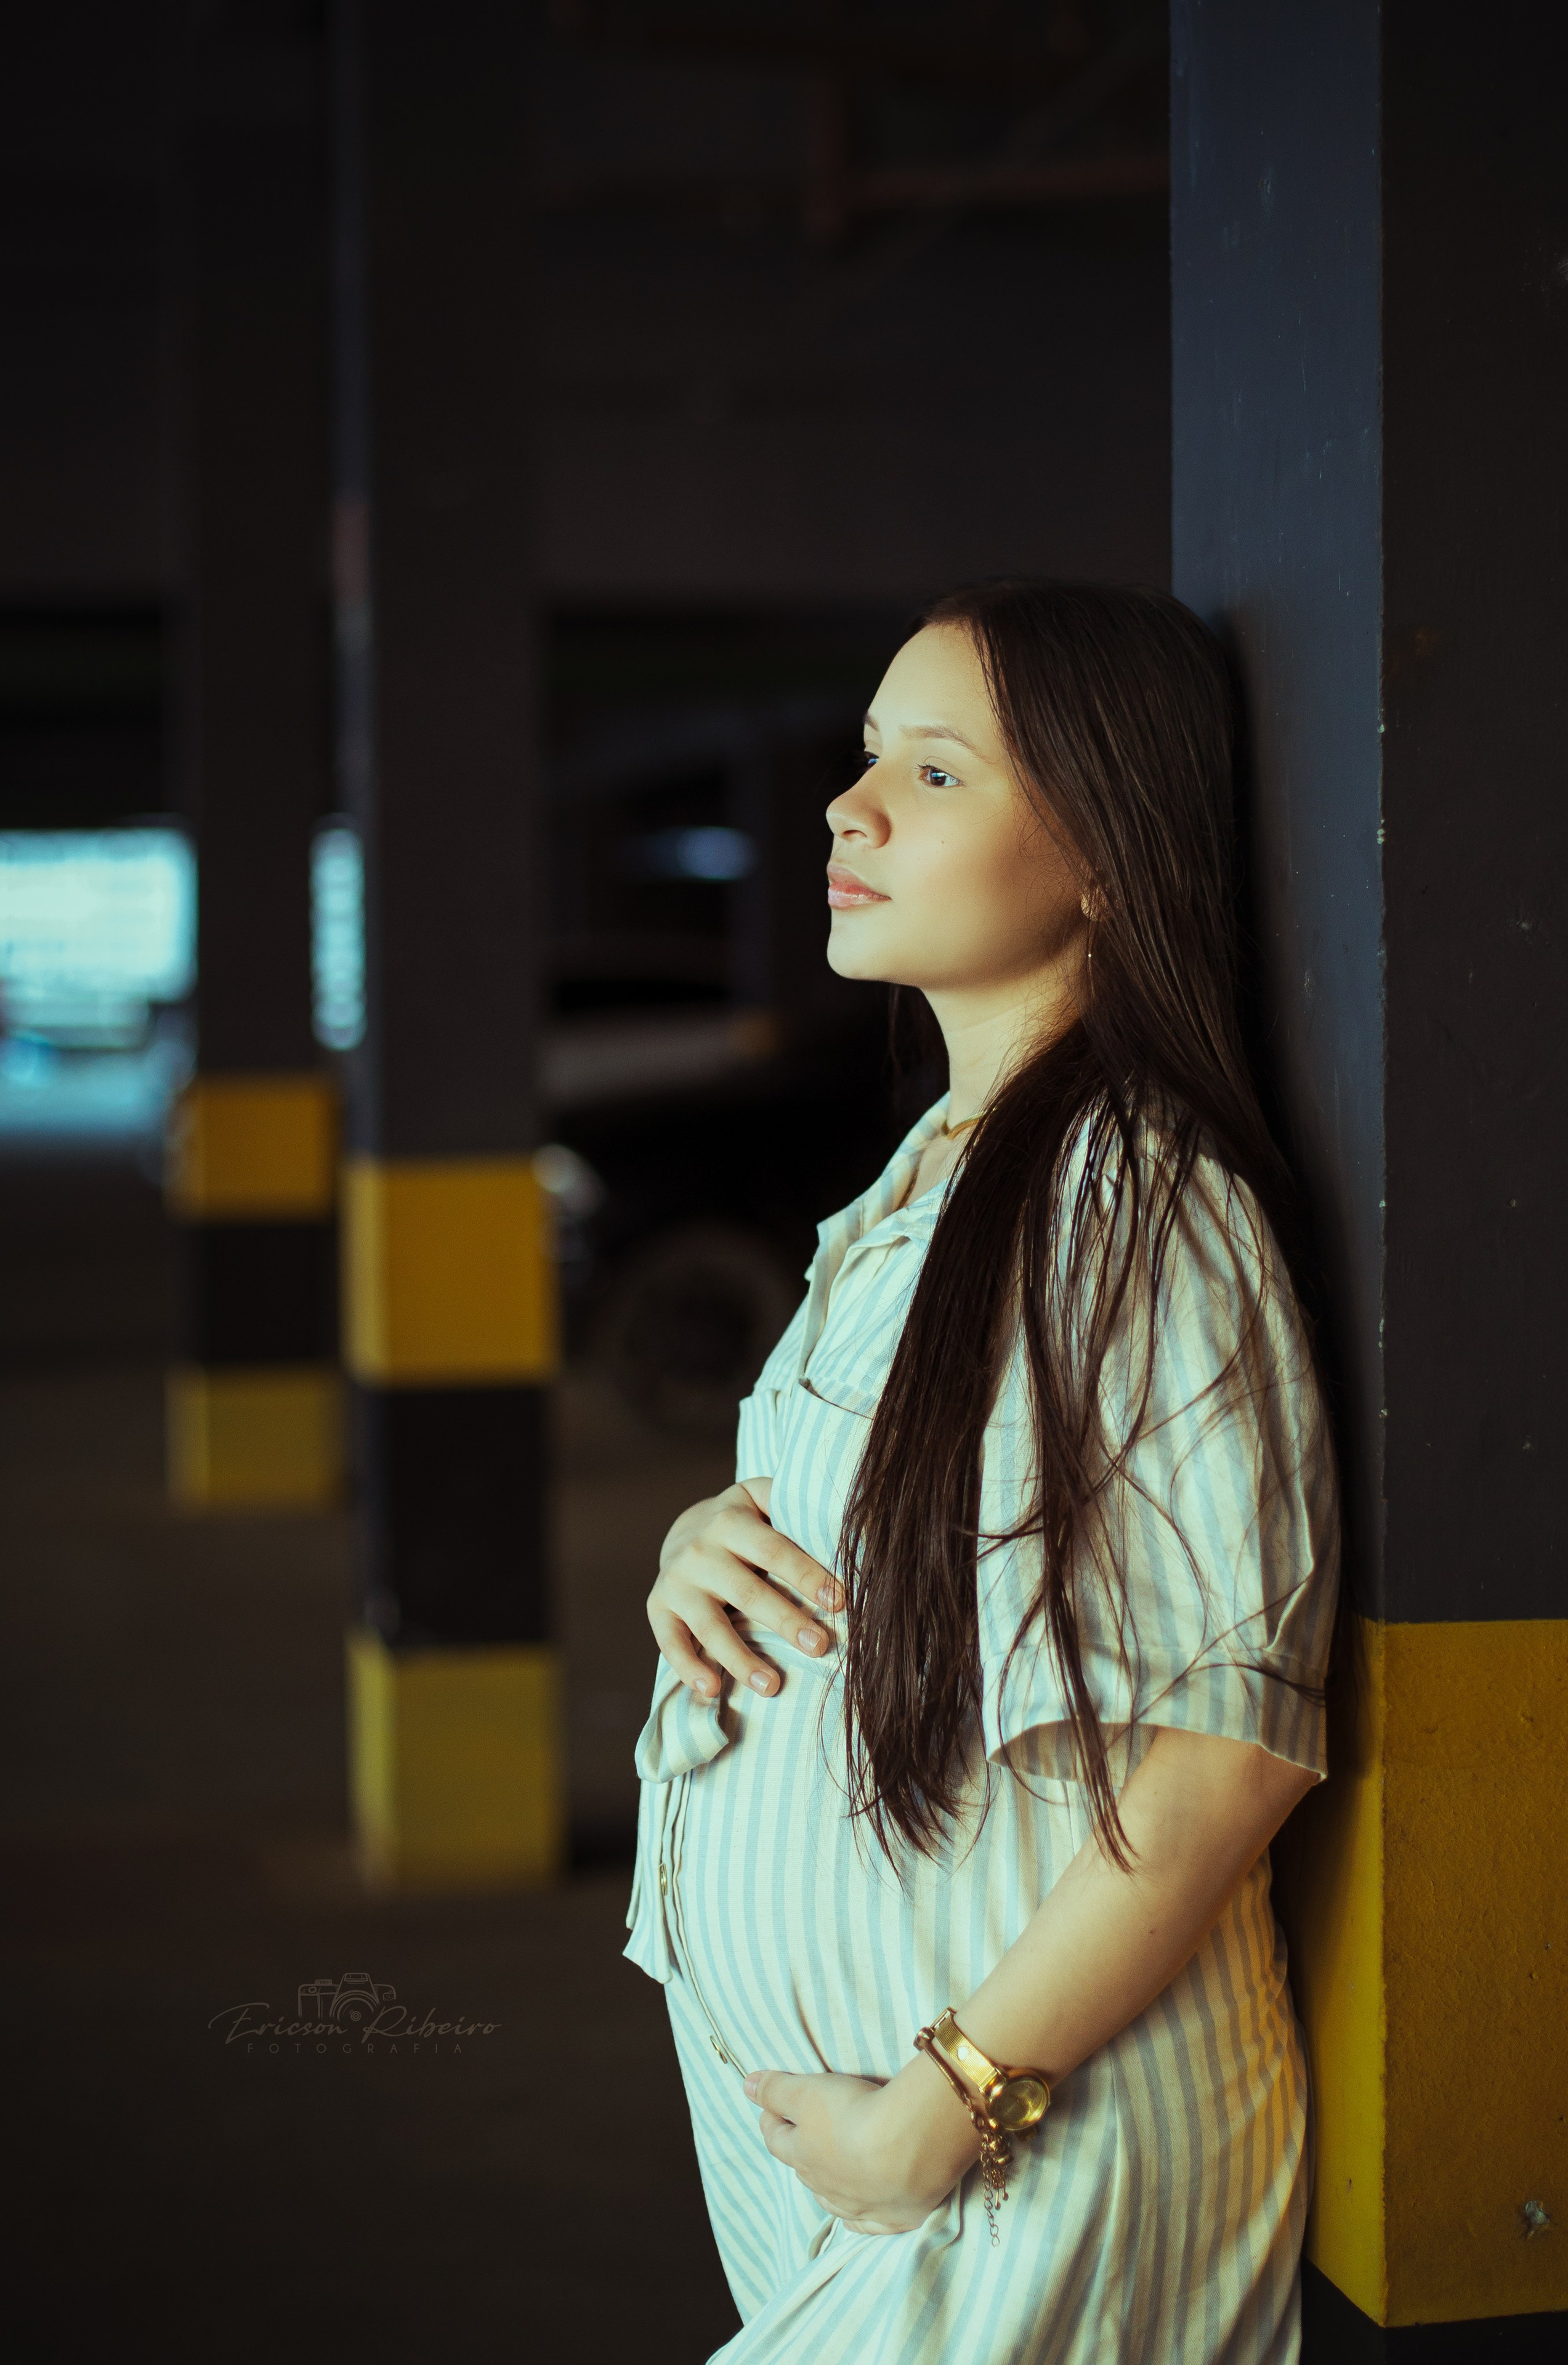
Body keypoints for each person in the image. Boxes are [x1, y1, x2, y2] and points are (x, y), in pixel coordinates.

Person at [626, 580, 1340, 2364]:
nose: (847, 809)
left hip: (1019, 2164)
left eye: (932, 774)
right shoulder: (932, 1189)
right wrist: (706, 1545)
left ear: (1107, 850)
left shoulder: (1137, 1208)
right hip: (874, 2176)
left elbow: (1228, 1747)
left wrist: (941, 2107)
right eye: (868, 758)